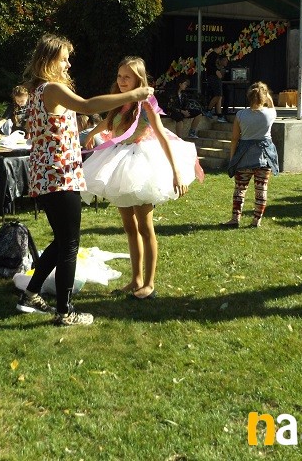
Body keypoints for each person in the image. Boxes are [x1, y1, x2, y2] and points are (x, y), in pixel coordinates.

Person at [16, 34, 153, 326]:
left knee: (62, 240)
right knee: (69, 245)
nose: (68, 64)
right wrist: (133, 95)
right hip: (59, 175)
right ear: (49, 60)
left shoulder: (38, 91)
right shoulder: (52, 88)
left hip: (47, 175)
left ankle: (30, 294)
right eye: (64, 59)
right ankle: (65, 312)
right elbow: (89, 106)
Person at [81, 57, 196, 300]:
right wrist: (92, 133)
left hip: (140, 164)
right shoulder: (119, 100)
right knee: (129, 227)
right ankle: (136, 279)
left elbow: (162, 135)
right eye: (119, 76)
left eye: (127, 77)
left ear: (138, 79)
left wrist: (175, 172)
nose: (122, 81)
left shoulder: (146, 104)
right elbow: (109, 122)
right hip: (118, 162)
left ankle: (149, 283)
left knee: (145, 226)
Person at [220, 82, 279, 229]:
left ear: (249, 97)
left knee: (240, 189)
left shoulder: (240, 115)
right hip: (264, 157)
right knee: (261, 189)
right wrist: (267, 97)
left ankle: (235, 219)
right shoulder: (270, 114)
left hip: (244, 156)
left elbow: (234, 139)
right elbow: (271, 106)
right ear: (264, 97)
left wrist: (233, 158)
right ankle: (256, 220)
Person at [203, 52, 228, 123]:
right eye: (224, 60)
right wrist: (216, 71)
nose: (226, 62)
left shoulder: (221, 68)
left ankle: (219, 115)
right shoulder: (213, 61)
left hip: (216, 79)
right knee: (218, 95)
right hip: (214, 79)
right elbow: (208, 66)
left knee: (220, 97)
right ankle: (208, 110)